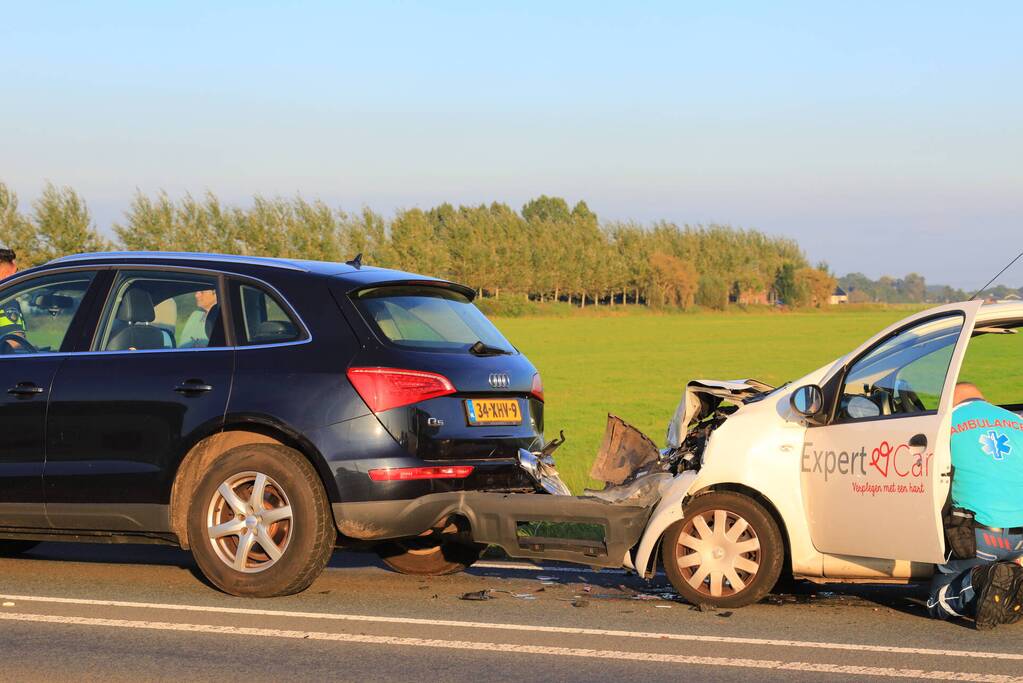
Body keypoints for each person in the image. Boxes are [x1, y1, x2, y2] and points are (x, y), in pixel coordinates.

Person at [928, 382, 1023, 629]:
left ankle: (979, 579)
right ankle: (1013, 573)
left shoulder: (945, 425)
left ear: (950, 400)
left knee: (937, 603)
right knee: (1001, 590)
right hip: (1020, 540)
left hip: (977, 537)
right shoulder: (1016, 421)